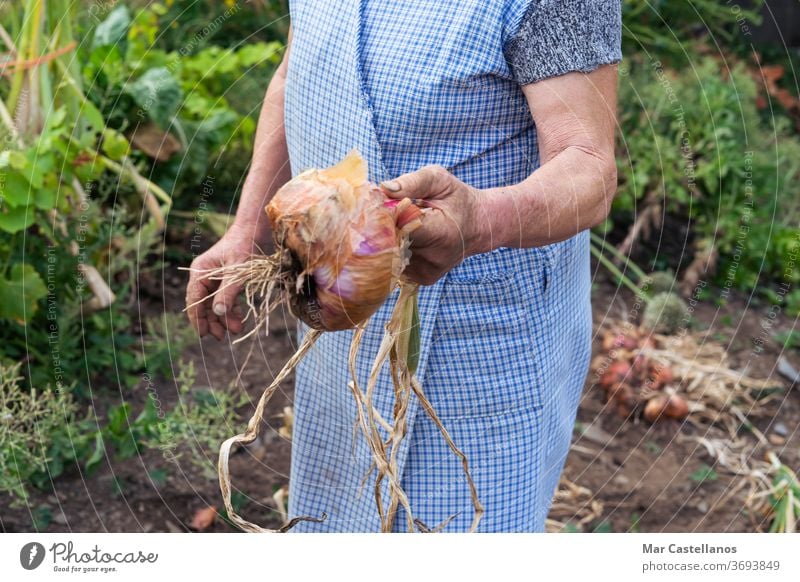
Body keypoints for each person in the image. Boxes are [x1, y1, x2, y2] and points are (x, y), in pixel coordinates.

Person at [186, 0, 621, 532]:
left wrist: (482, 218)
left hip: (476, 339)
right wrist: (245, 229)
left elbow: (589, 166)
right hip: (337, 310)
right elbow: (297, 70)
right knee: (339, 520)